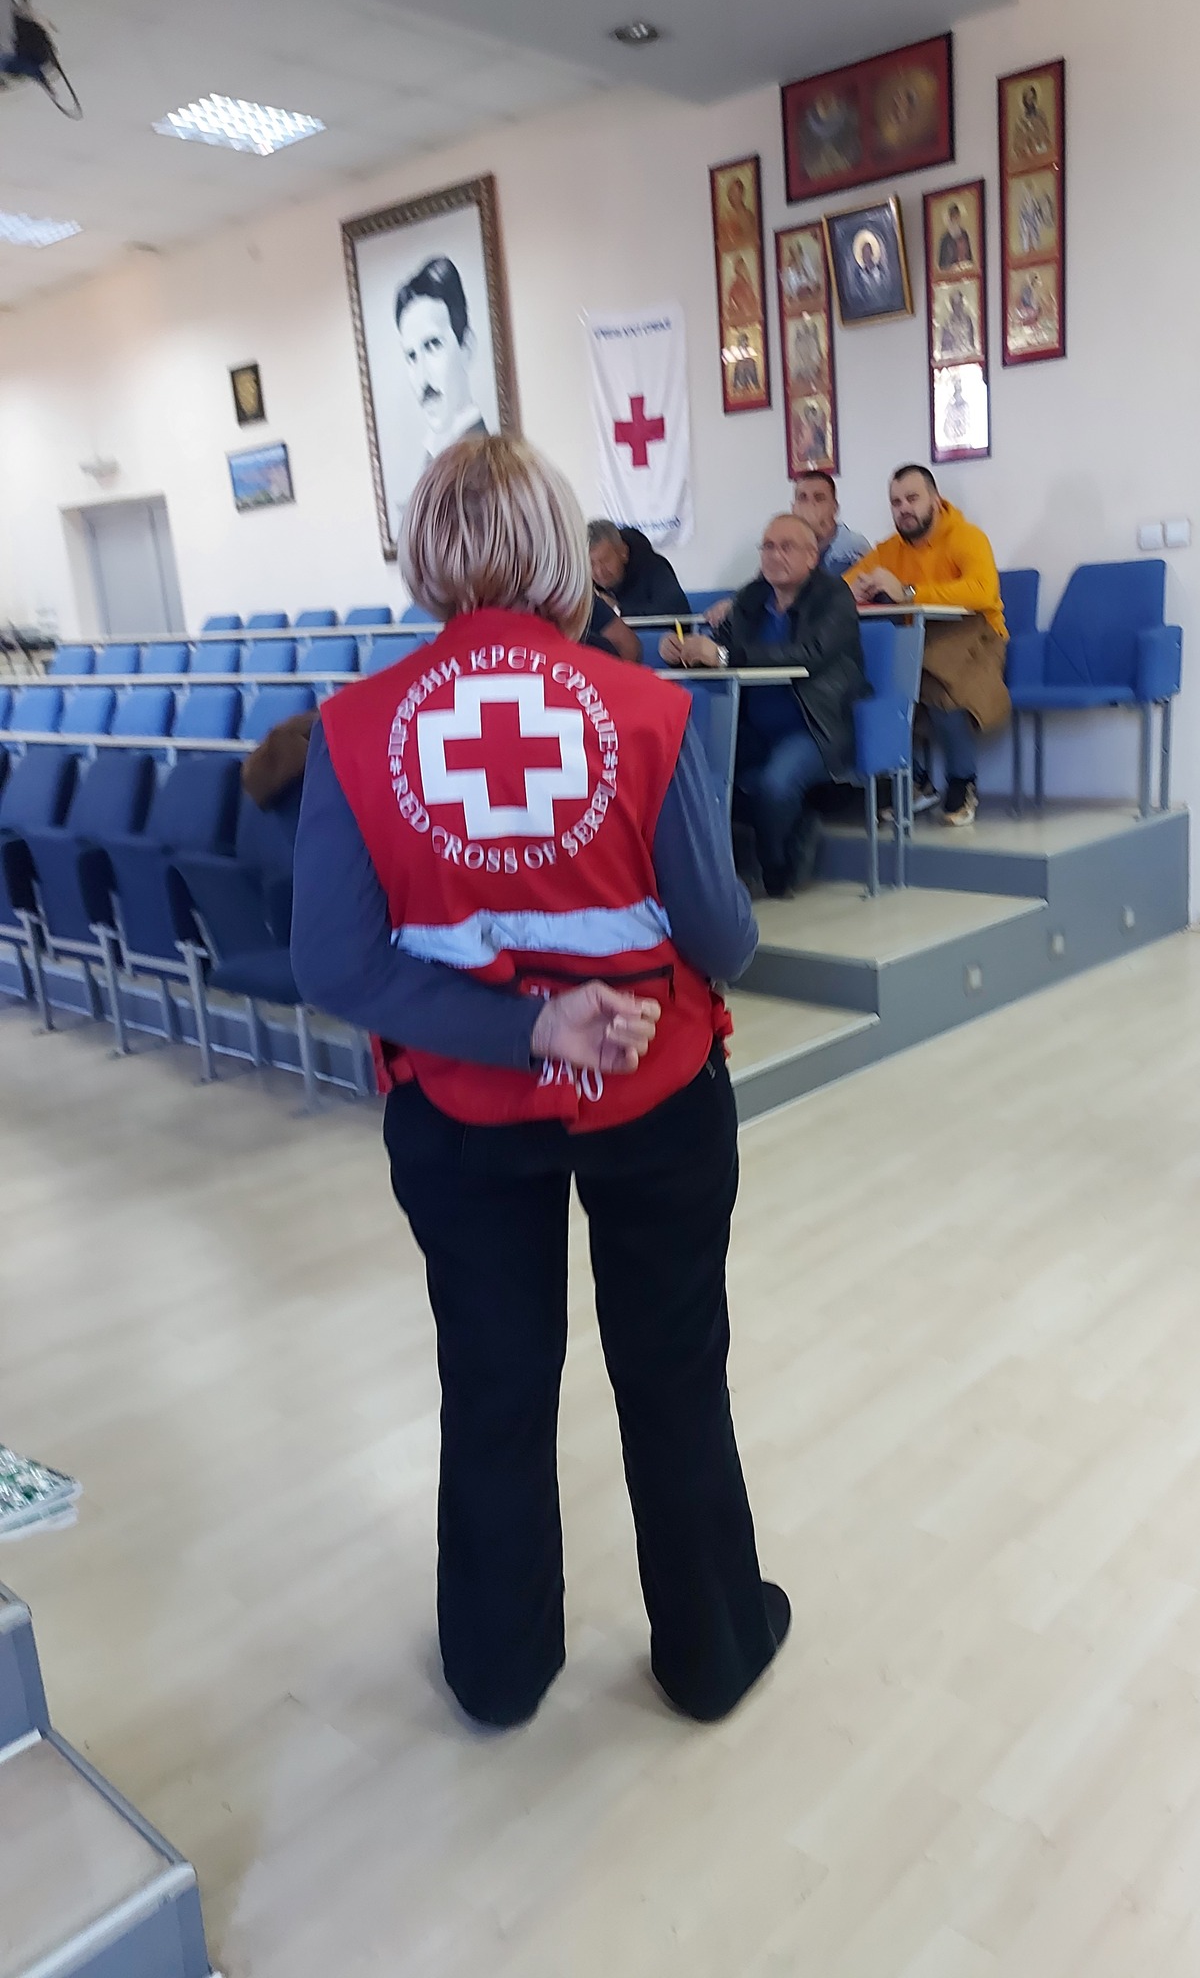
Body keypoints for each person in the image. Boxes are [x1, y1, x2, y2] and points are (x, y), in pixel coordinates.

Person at [291, 435, 788, 1729]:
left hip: (461, 1113)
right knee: (675, 1372)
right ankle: (712, 1650)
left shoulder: (354, 729)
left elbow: (332, 961)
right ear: (568, 550)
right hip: (655, 1091)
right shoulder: (648, 711)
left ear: (424, 552)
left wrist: (519, 1028)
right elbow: (723, 938)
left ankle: (499, 1668)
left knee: (493, 1384)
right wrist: (588, 1001)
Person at [664, 514, 867, 898]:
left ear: (811, 556)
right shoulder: (752, 597)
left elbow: (809, 654)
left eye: (786, 547)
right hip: (752, 725)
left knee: (775, 786)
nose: (774, 555)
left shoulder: (834, 597)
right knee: (693, 769)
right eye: (768, 546)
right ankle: (794, 825)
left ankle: (776, 869)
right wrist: (681, 651)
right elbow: (720, 645)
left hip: (814, 726)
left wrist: (721, 655)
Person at [845, 464, 1007, 827]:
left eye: (912, 498)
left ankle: (962, 781)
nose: (904, 508)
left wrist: (908, 592)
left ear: (935, 500)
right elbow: (845, 585)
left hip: (977, 636)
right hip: (919, 638)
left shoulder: (966, 536)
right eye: (896, 502)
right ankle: (916, 779)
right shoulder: (889, 549)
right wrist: (851, 590)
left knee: (935, 677)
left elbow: (983, 591)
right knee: (882, 678)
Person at [395, 258, 488, 474]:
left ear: (467, 347)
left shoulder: (483, 465)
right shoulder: (432, 455)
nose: (422, 376)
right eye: (411, 356)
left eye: (433, 345)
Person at [587, 518, 691, 628]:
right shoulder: (584, 579)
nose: (599, 571)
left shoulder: (651, 566)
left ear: (623, 552)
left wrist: (617, 610)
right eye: (591, 564)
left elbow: (679, 614)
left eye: (605, 560)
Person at [792, 469, 871, 575]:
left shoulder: (853, 547)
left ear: (835, 507)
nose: (810, 505)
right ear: (793, 508)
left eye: (819, 498)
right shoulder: (785, 548)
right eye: (802, 498)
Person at [936, 201, 974, 270]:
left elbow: (970, 257)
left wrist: (967, 264)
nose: (955, 219)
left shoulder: (964, 234)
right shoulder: (945, 238)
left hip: (966, 269)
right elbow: (941, 264)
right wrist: (952, 267)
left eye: (957, 216)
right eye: (953, 216)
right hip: (952, 272)